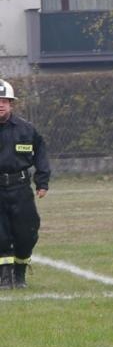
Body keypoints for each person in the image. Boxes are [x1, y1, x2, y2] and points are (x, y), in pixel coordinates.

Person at [0, 80, 50, 289]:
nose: (0, 104)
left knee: (27, 233)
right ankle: (4, 277)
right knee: (1, 235)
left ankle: (19, 276)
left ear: (11, 104)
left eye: (4, 101)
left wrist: (42, 181)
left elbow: (40, 153)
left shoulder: (26, 130)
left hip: (20, 189)